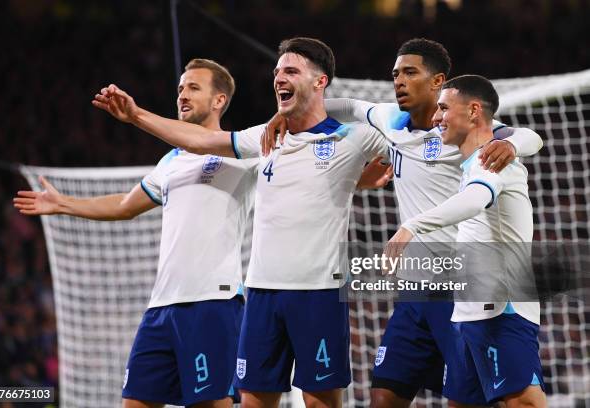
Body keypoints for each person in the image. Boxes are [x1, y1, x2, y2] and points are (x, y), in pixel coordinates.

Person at [91, 36, 396, 408]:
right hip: (261, 293)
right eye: (277, 71)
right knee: (253, 402)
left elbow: (404, 133)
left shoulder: (354, 137)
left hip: (319, 292)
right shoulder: (263, 140)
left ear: (320, 82)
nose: (279, 78)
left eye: (291, 71)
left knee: (319, 403)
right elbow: (200, 141)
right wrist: (137, 115)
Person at [262, 38, 543, 407]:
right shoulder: (390, 122)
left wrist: (513, 146)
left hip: (459, 287)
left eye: (410, 73)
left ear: (438, 81)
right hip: (414, 291)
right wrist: (287, 113)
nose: (399, 81)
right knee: (385, 394)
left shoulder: (464, 131)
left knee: (471, 399)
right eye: (395, 74)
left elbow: (528, 136)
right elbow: (344, 105)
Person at [14, 59, 257, 408]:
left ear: (219, 100)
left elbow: (216, 144)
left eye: (193, 87)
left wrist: (137, 115)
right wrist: (63, 203)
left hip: (212, 302)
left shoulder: (243, 152)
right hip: (160, 307)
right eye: (179, 89)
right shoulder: (171, 161)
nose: (182, 95)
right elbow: (126, 205)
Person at [384, 74, 546, 408]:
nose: (435, 117)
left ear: (473, 111)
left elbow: (476, 200)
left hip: (501, 309)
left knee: (524, 402)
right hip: (468, 312)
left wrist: (411, 226)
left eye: (443, 108)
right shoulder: (471, 164)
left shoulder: (495, 159)